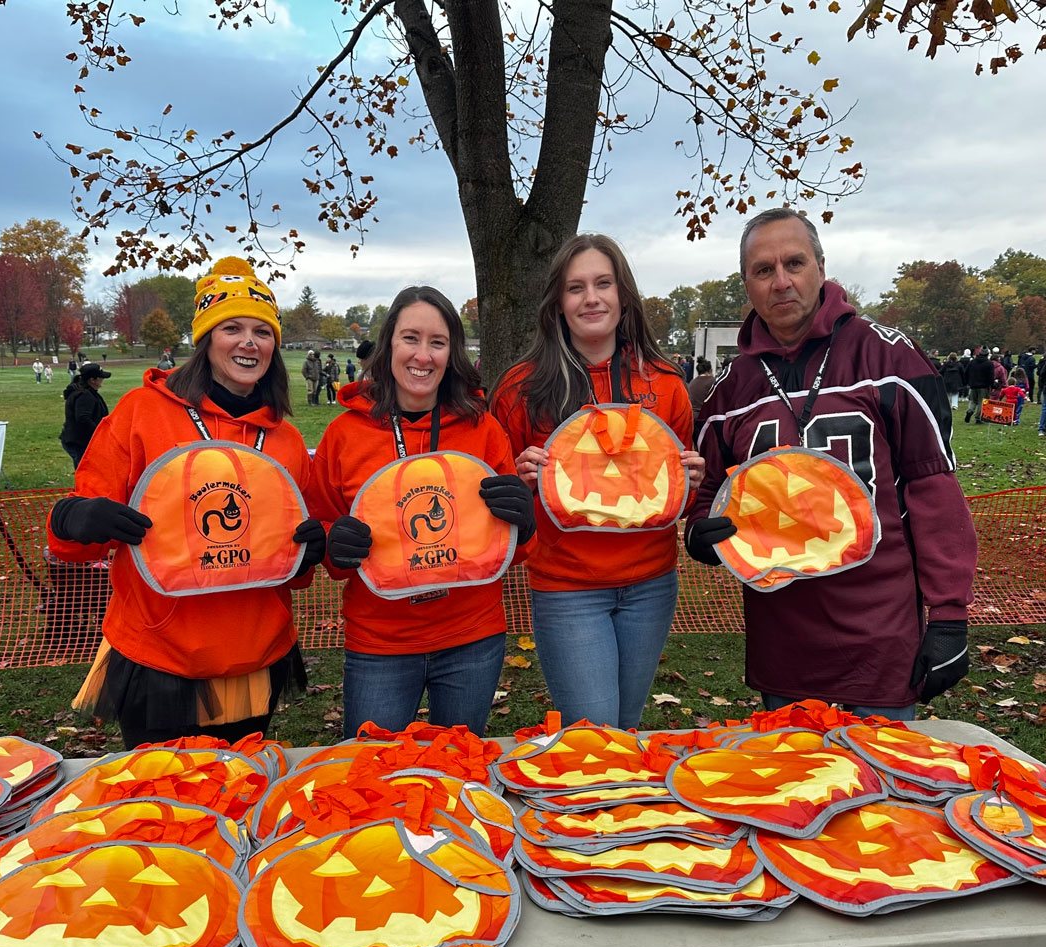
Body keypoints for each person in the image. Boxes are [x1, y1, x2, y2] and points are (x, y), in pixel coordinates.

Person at [685, 208, 976, 722]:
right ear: (746, 284)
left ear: (821, 266)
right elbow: (709, 490)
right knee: (794, 785)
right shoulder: (729, 389)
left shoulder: (890, 359)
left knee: (887, 788)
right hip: (783, 629)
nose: (781, 282)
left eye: (794, 263)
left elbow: (933, 491)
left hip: (879, 623)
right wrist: (702, 536)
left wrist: (950, 616)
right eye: (762, 270)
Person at [46, 256, 326, 749]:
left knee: (239, 797)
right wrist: (75, 517)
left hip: (254, 655)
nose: (249, 342)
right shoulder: (141, 413)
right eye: (232, 327)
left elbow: (291, 572)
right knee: (162, 802)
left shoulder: (285, 441)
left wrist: (311, 550)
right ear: (205, 339)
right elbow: (74, 545)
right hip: (159, 654)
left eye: (263, 331)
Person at [491, 233, 705, 730]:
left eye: (603, 283)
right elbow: (498, 496)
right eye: (575, 287)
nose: (591, 298)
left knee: (626, 728)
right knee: (595, 733)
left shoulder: (666, 383)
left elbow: (672, 491)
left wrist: (690, 480)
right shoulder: (521, 387)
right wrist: (518, 480)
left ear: (623, 294)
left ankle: (618, 809)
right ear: (557, 304)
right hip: (568, 588)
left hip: (651, 584)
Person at [307, 285, 536, 738]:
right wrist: (335, 543)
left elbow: (516, 549)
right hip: (380, 642)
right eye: (411, 338)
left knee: (461, 771)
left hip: (472, 637)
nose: (423, 356)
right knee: (375, 777)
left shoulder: (483, 430)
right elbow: (322, 537)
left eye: (438, 342)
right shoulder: (343, 434)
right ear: (389, 343)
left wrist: (524, 524)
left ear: (452, 353)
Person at [60, 362, 112, 468]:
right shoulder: (84, 395)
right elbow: (83, 419)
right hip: (80, 442)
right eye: (100, 377)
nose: (103, 380)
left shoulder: (87, 392)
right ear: (92, 380)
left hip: (80, 440)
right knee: (86, 470)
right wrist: (99, 433)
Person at [965, 349, 995, 424]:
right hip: (984, 386)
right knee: (982, 402)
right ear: (987, 354)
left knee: (973, 400)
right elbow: (991, 376)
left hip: (973, 385)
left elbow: (966, 372)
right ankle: (978, 418)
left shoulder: (972, 362)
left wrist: (969, 382)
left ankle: (970, 411)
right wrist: (992, 385)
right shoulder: (989, 363)